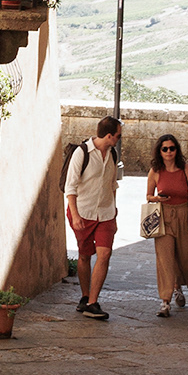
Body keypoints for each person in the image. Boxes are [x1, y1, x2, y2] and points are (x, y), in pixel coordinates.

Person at [64, 116, 122, 320]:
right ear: (109, 136)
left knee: (104, 254)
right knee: (84, 255)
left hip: (106, 214)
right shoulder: (82, 153)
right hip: (83, 212)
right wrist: (75, 215)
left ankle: (93, 302)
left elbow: (112, 184)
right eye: (118, 135)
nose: (119, 139)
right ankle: (85, 296)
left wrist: (114, 210)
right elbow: (70, 187)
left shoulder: (112, 154)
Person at [146, 133, 188, 316]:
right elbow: (148, 196)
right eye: (165, 149)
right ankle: (165, 301)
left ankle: (178, 286)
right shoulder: (155, 171)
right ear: (159, 151)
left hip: (184, 215)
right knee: (165, 259)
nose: (169, 152)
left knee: (184, 258)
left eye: (172, 148)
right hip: (164, 217)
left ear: (177, 150)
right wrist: (156, 198)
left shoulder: (185, 169)